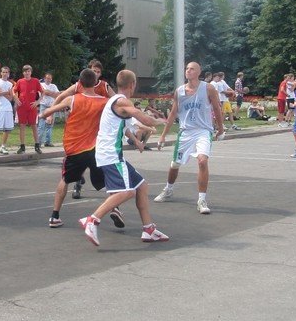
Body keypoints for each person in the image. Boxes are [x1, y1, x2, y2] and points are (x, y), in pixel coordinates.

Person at [78, 69, 167, 247]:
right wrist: (163, 121)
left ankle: (148, 229)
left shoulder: (117, 102)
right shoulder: (121, 102)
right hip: (110, 155)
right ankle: (92, 220)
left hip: (110, 153)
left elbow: (126, 127)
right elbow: (145, 119)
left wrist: (136, 141)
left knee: (141, 186)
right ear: (132, 85)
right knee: (127, 191)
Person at [39, 69, 111, 228]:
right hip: (93, 148)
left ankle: (54, 216)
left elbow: (47, 111)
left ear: (79, 83)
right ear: (95, 82)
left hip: (74, 149)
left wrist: (45, 115)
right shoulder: (103, 102)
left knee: (65, 180)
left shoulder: (72, 99)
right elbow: (119, 108)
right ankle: (115, 207)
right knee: (107, 179)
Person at [153, 61, 225, 214]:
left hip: (203, 131)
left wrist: (220, 128)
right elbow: (173, 114)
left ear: (199, 72)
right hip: (185, 132)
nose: (188, 71)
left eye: (192, 69)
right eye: (187, 68)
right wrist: (163, 136)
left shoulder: (208, 88)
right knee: (175, 164)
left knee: (202, 160)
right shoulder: (179, 91)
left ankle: (201, 200)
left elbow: (217, 108)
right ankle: (168, 189)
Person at [14, 64, 44, 154]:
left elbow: (43, 92)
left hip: (32, 107)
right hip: (22, 107)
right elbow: (13, 91)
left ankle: (37, 146)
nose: (27, 73)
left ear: (31, 72)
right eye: (25, 71)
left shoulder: (35, 81)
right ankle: (22, 146)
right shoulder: (20, 81)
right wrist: (16, 99)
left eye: (28, 71)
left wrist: (37, 102)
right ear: (23, 72)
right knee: (22, 126)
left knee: (34, 126)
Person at [36, 72, 59, 147]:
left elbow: (58, 95)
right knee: (41, 125)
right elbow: (44, 92)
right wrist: (52, 94)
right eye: (47, 78)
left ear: (51, 79)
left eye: (50, 78)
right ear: (44, 78)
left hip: (52, 106)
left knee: (50, 125)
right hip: (43, 105)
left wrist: (50, 93)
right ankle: (38, 142)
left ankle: (48, 142)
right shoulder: (41, 84)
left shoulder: (54, 86)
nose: (48, 80)